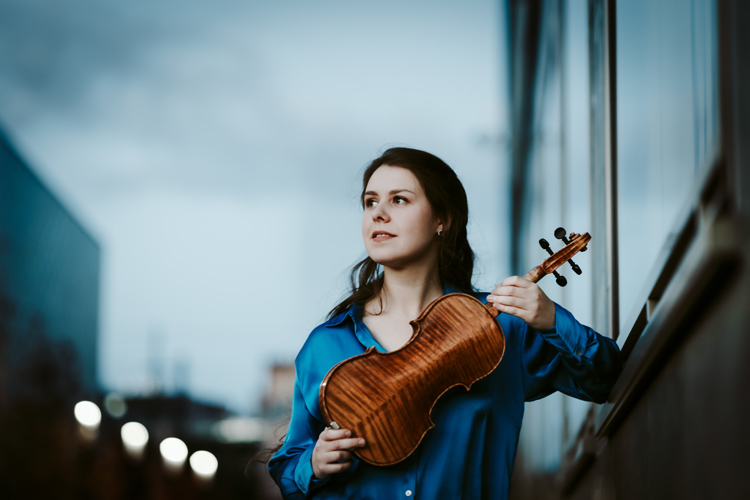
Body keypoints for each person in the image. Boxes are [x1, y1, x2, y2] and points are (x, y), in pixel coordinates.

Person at [268, 147, 622, 499]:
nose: (378, 214)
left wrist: (551, 320)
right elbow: (287, 474)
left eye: (399, 200)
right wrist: (312, 465)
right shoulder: (326, 345)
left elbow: (604, 380)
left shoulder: (502, 329)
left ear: (443, 220)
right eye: (370, 202)